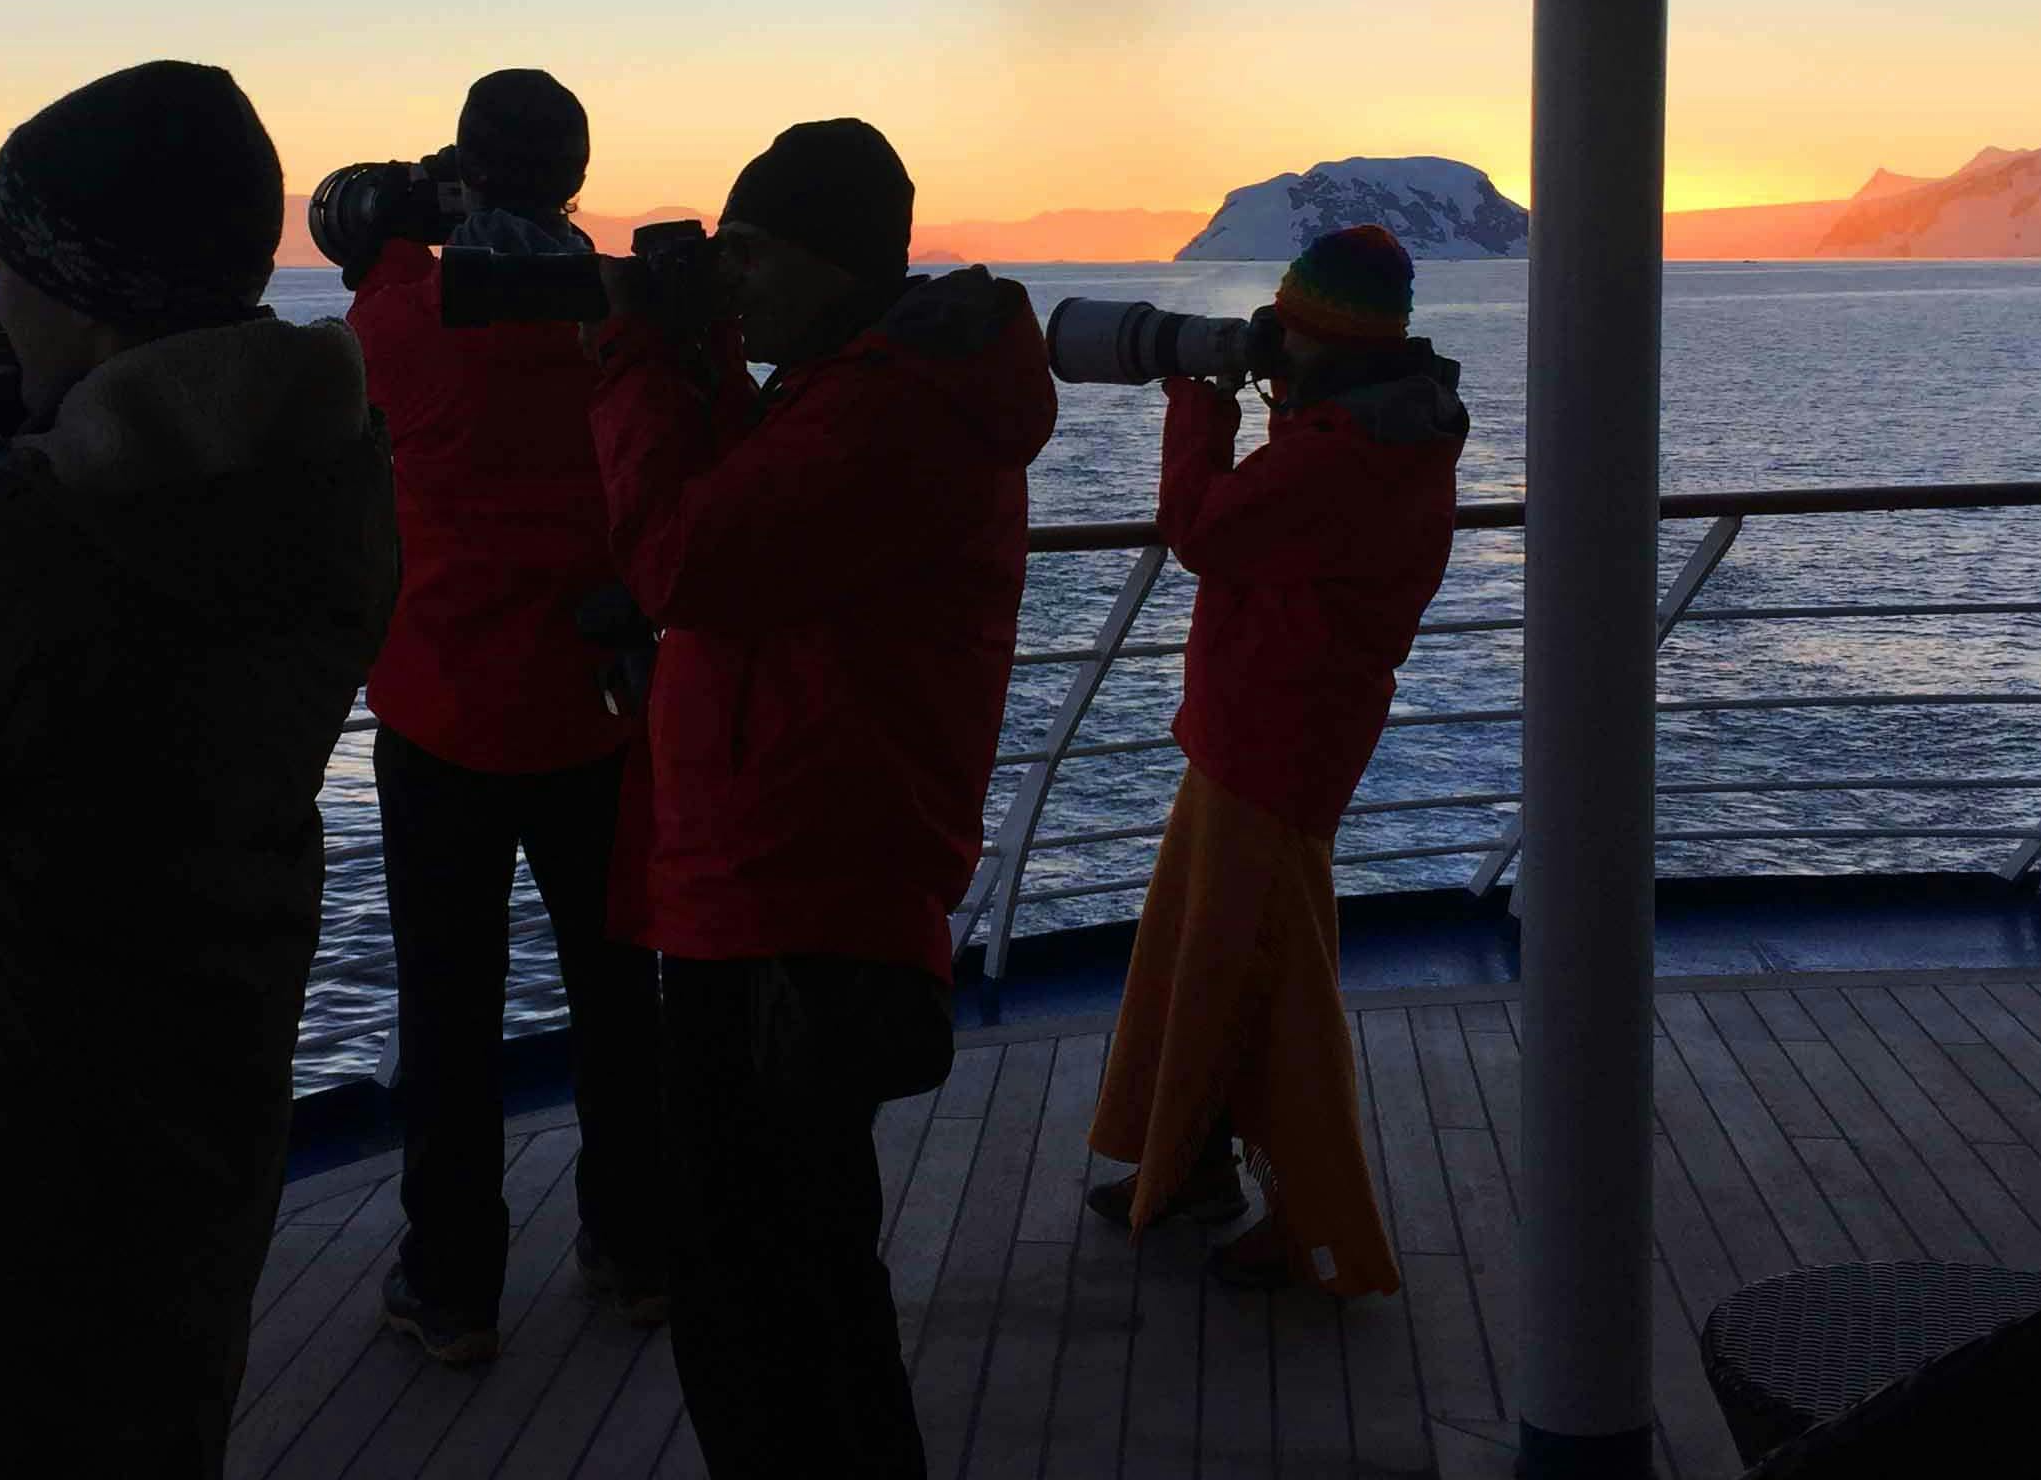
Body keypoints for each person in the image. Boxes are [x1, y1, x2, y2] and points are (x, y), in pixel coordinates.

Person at [0, 61, 400, 1477]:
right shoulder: (327, 477)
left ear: (87, 296)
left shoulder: (47, 541)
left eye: (5, 269)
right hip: (185, 1116)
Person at [587, 119, 1055, 1480]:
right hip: (789, 864)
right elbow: (756, 514)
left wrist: (633, 359)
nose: (728, 281)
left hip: (795, 885)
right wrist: (697, 356)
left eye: (746, 254)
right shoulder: (867, 383)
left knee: (762, 1295)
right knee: (801, 1277)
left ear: (821, 258)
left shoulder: (888, 405)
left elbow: (690, 554)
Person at [342, 69, 667, 1362]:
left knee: (449, 1011)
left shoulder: (413, 318)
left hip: (445, 716)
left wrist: (393, 231)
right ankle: (638, 1251)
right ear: (576, 180)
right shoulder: (614, 321)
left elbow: (364, 340)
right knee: (615, 998)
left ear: (470, 170)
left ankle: (454, 1285)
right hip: (596, 712)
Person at [1083, 224, 1464, 1294]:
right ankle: (1194, 1162)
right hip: (1264, 730)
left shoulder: (1345, 454)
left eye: (1287, 331)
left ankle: (1318, 1223)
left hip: (1273, 739)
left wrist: (1197, 402)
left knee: (1271, 983)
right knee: (1205, 962)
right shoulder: (1386, 429)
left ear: (1322, 340)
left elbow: (1204, 530)